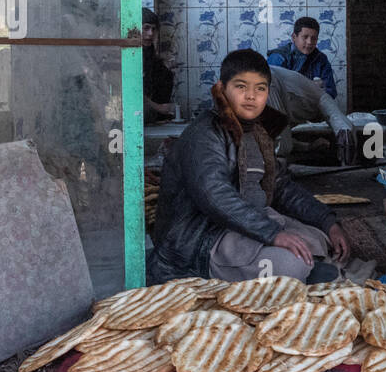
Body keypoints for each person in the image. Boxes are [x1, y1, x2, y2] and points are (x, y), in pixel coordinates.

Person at [147, 49, 351, 284]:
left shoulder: (257, 132)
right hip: (205, 238)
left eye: (260, 89)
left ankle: (300, 268)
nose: (251, 96)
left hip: (249, 222)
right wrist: (273, 234)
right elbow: (214, 195)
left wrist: (328, 222)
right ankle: (294, 271)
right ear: (222, 88)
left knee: (320, 239)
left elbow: (281, 187)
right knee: (291, 263)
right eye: (241, 87)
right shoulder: (205, 134)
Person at [267, 64, 358, 165]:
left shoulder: (296, 98)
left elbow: (280, 137)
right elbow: (281, 142)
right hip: (265, 81)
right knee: (280, 154)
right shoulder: (314, 95)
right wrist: (344, 130)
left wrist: (307, 146)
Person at [267, 16, 337, 99]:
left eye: (313, 38)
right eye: (305, 37)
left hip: (314, 106)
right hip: (284, 107)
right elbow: (270, 91)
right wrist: (310, 88)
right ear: (294, 37)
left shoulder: (321, 59)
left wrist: (323, 89)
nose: (309, 42)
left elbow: (331, 92)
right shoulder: (278, 57)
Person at [142, 7, 177, 125]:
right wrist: (159, 108)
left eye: (153, 29)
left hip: (150, 113)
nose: (150, 34)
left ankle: (160, 117)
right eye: (146, 28)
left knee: (166, 73)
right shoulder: (129, 55)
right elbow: (133, 90)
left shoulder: (148, 51)